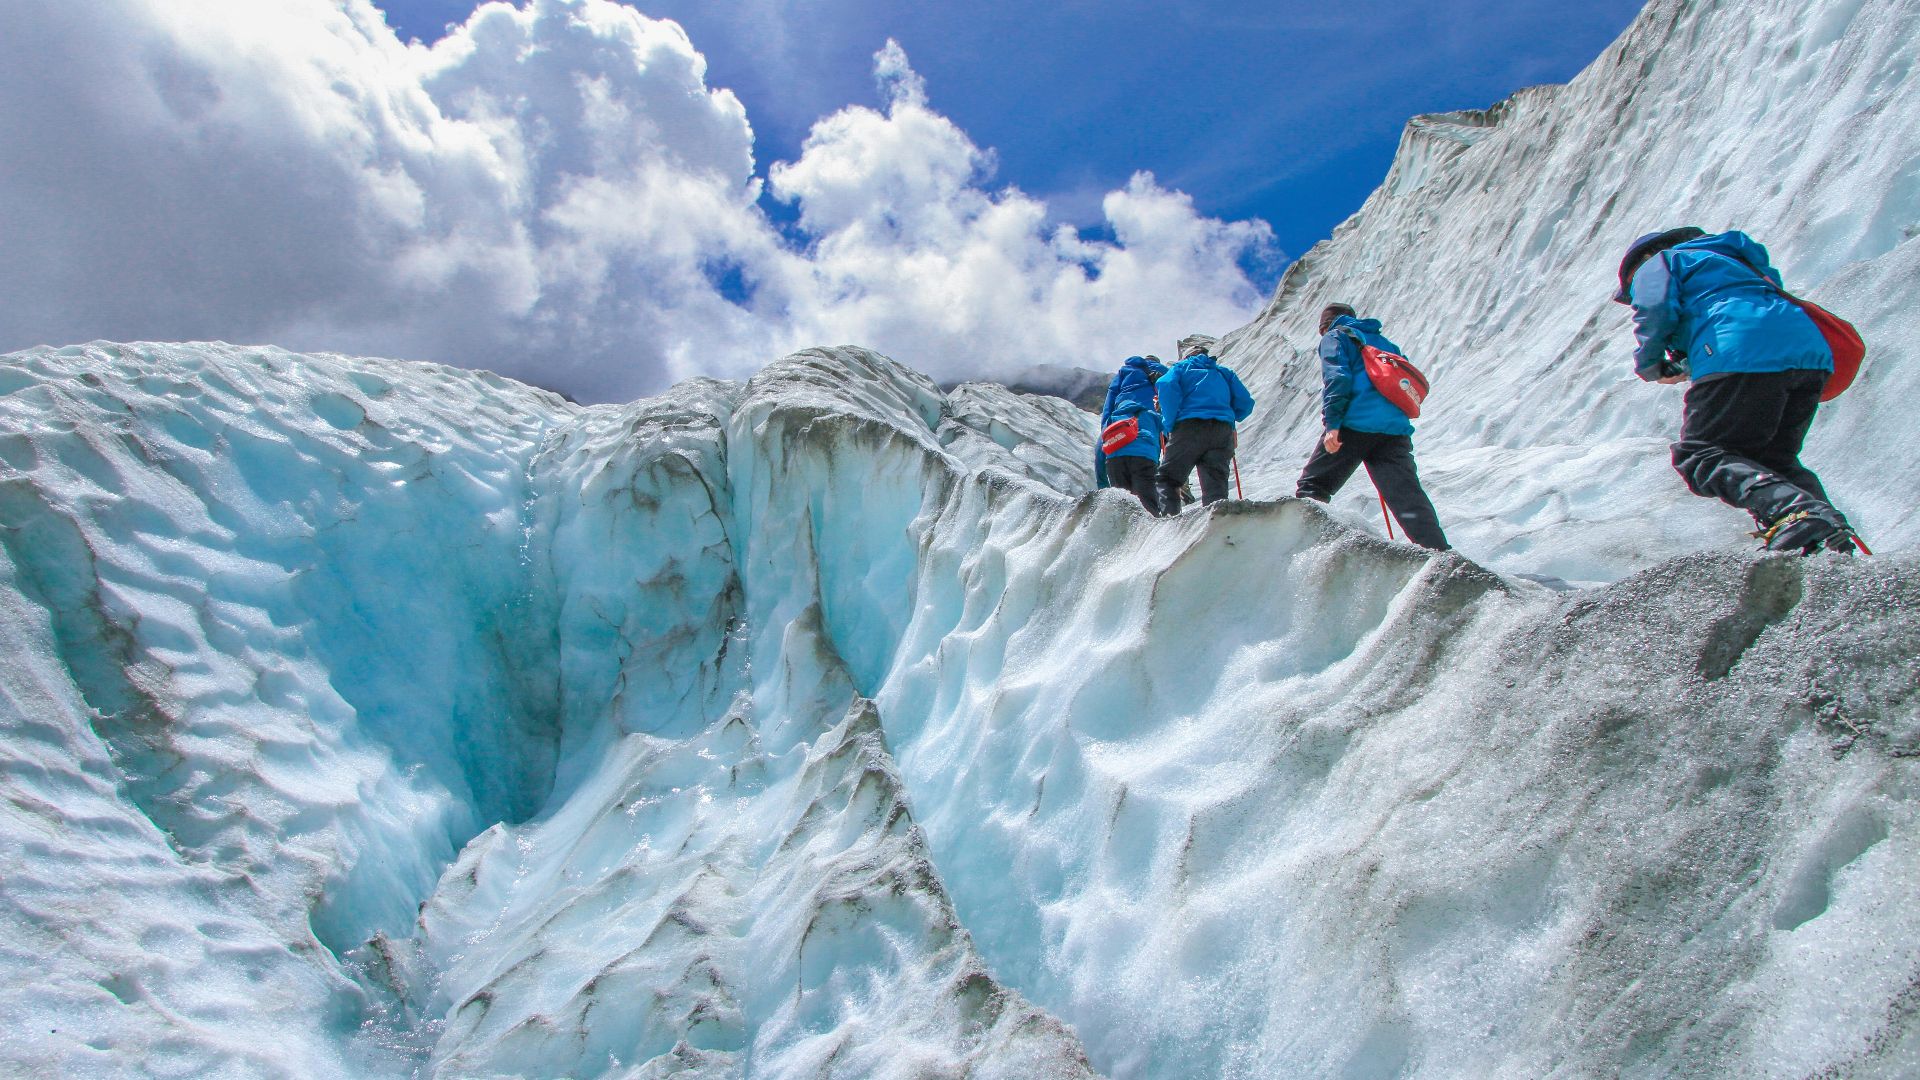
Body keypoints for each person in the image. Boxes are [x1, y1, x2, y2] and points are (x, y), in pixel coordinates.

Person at [1614, 227, 1854, 553]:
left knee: (1700, 455)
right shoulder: (1736, 261)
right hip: (1809, 354)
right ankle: (1829, 536)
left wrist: (1650, 363)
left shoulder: (1661, 262)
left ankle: (1796, 515)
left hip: (1740, 348)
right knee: (1773, 459)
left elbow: (1655, 309)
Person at [1294, 304, 1449, 550]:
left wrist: (1333, 424)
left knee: (1313, 487)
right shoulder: (1384, 342)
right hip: (1394, 431)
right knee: (1407, 498)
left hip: (1355, 424)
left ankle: (1303, 548)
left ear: (1324, 326)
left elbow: (1337, 378)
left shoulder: (1335, 337)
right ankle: (1439, 553)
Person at [1155, 336, 1254, 512]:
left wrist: (1169, 423)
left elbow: (1165, 384)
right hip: (1222, 431)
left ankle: (1170, 526)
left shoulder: (1180, 368)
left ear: (1186, 356)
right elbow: (1246, 403)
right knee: (1215, 488)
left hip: (1188, 427)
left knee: (1168, 479)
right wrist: (1231, 416)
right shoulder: (1224, 373)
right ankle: (1217, 529)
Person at [1095, 354, 1167, 513]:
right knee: (1148, 507)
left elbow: (1110, 399)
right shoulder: (1162, 372)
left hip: (1116, 444)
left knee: (1123, 510)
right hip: (1146, 448)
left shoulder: (1124, 372)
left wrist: (1106, 427)